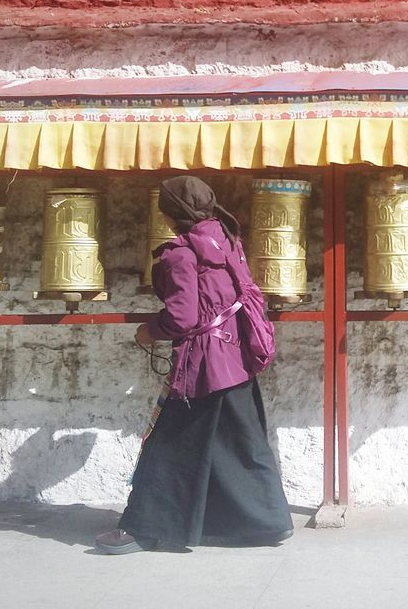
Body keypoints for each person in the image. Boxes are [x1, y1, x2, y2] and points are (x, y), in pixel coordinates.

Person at [96, 176, 293, 554]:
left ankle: (145, 527)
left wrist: (149, 332)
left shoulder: (180, 254)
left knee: (168, 445)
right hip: (238, 357)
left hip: (203, 366)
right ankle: (268, 522)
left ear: (169, 215)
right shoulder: (225, 238)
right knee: (242, 444)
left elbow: (182, 319)